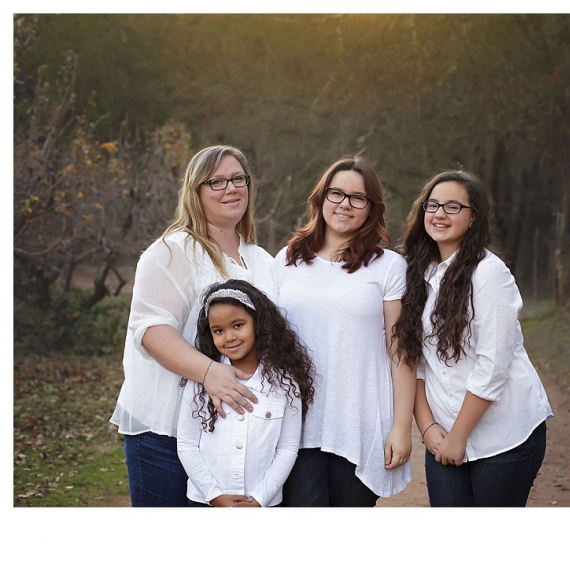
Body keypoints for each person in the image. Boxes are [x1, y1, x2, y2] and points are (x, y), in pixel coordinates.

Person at [110, 145, 276, 507]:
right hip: (164, 431)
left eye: (238, 179)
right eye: (216, 181)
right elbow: (151, 330)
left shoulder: (262, 261)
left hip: (232, 437)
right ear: (195, 192)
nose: (230, 188)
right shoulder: (172, 251)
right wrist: (209, 372)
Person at [392, 169, 553, 507]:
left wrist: (458, 437)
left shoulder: (489, 274)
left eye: (453, 207)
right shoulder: (417, 273)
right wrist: (428, 426)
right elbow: (416, 360)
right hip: (443, 433)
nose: (439, 213)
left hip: (503, 436)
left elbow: (493, 364)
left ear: (473, 217)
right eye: (432, 204)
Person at [271, 154, 416, 506]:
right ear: (320, 199)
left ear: (371, 208)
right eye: (336, 194)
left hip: (359, 423)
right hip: (296, 425)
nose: (345, 204)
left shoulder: (389, 267)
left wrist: (401, 426)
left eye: (358, 197)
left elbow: (401, 352)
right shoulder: (286, 260)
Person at [177, 279, 315, 507]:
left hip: (263, 503)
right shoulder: (200, 382)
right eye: (218, 330)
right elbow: (187, 444)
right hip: (206, 501)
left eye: (238, 325)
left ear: (258, 324)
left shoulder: (285, 384)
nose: (229, 336)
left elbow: (287, 449)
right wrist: (214, 496)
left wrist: (260, 499)